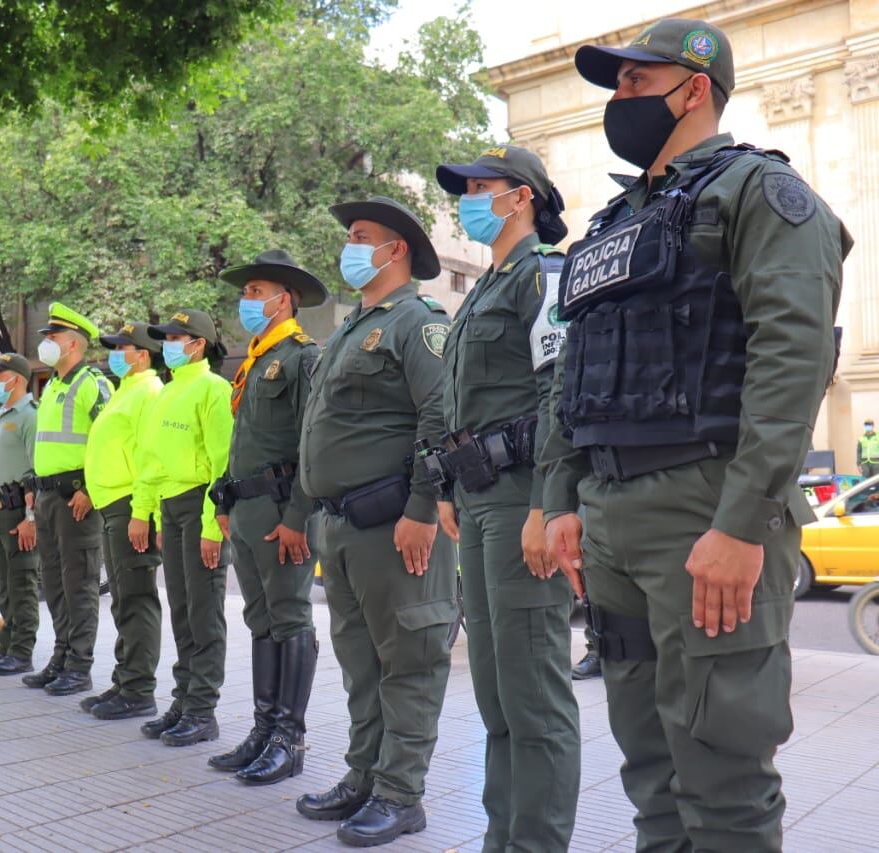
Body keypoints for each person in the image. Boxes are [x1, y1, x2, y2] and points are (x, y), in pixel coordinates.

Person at [540, 19, 851, 851]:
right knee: (651, 771)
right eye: (618, 84)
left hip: (704, 508)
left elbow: (795, 358)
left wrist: (742, 522)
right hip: (609, 516)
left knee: (724, 779)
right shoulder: (610, 226)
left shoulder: (760, 195)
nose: (619, 98)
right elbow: (574, 374)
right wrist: (560, 497)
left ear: (695, 87)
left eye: (637, 83)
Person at [433, 146, 580, 850]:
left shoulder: (542, 276)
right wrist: (450, 487)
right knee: (494, 695)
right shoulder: (484, 290)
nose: (467, 198)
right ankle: (503, 837)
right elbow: (461, 404)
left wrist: (545, 506)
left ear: (520, 197)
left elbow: (558, 393)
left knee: (533, 697)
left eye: (479, 187)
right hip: (481, 496)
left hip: (524, 496)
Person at [296, 196, 453, 847]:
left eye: (361, 237)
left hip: (396, 526)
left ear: (396, 251)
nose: (349, 246)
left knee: (410, 660)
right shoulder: (349, 329)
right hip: (344, 527)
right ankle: (364, 775)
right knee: (361, 663)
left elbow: (442, 413)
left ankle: (400, 793)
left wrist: (422, 507)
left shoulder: (416, 322)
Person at [209, 249, 324, 785]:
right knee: (261, 618)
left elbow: (312, 442)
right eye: (246, 292)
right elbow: (243, 443)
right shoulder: (252, 362)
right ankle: (262, 728)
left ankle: (288, 738)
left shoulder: (301, 357)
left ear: (286, 299)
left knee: (290, 616)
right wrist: (226, 500)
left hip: (283, 511)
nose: (246, 301)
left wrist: (299, 515)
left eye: (256, 292)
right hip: (250, 507)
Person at [138, 309, 234, 746]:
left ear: (198, 343)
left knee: (203, 609)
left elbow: (222, 460)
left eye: (178, 337)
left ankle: (202, 709)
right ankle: (183, 699)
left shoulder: (214, 388)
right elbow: (152, 463)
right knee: (180, 607)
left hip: (200, 504)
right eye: (167, 338)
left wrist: (213, 525)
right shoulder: (166, 392)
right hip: (171, 506)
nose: (169, 344)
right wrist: (154, 515)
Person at [23, 304, 112, 697]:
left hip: (76, 498)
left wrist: (90, 490)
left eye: (52, 337)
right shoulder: (53, 386)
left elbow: (110, 440)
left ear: (73, 343)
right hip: (47, 496)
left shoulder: (91, 383)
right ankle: (60, 657)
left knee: (79, 584)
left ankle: (80, 665)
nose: (46, 343)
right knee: (55, 583)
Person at [81, 322, 165, 720]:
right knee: (122, 598)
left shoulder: (149, 391)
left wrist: (143, 513)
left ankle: (138, 689)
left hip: (131, 504)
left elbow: (152, 456)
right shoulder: (125, 391)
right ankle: (125, 679)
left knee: (136, 597)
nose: (115, 354)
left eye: (122, 347)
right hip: (113, 505)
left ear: (143, 355)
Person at [0, 353, 44, 676]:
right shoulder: (1, 417)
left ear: (16, 378)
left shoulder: (30, 416)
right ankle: (7, 643)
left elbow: (37, 471)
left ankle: (22, 650)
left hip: (18, 512)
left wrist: (31, 518)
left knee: (22, 584)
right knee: (6, 586)